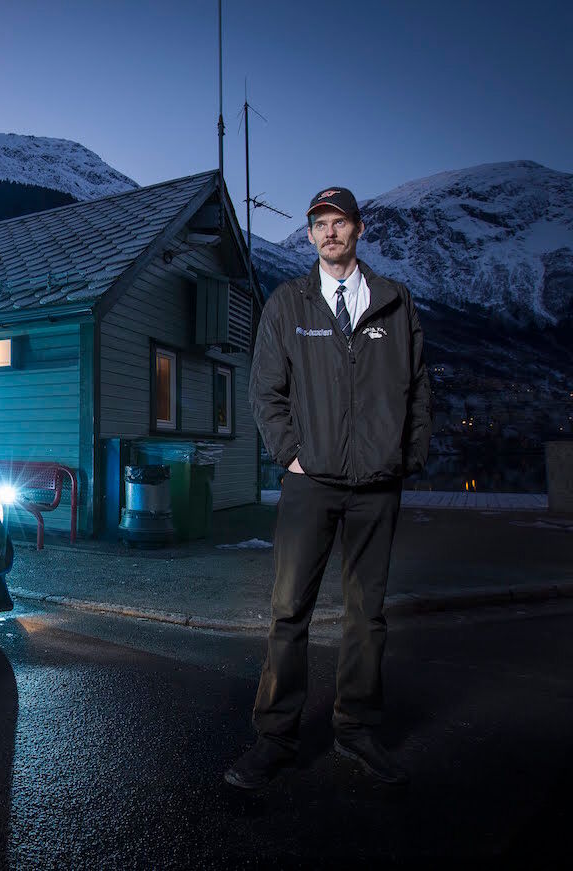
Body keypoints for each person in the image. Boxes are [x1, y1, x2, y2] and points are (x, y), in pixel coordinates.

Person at [225, 186, 432, 789]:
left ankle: (356, 727)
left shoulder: (394, 302)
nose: (330, 232)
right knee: (289, 609)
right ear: (311, 234)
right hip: (309, 482)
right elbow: (265, 389)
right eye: (320, 223)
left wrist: (407, 455)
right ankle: (275, 737)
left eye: (340, 221)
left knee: (368, 613)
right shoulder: (288, 303)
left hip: (377, 484)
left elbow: (419, 387)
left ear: (359, 229)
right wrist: (290, 455)